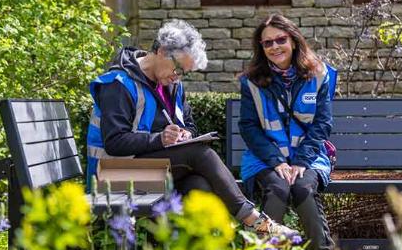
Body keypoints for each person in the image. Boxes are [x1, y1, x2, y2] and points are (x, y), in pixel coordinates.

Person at [86, 19, 296, 236]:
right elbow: (114, 142)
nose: (177, 76)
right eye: (177, 69)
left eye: (183, 73)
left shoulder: (171, 85)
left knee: (200, 186)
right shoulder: (118, 84)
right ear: (162, 51)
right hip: (112, 178)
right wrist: (160, 139)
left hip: (148, 173)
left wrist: (187, 134)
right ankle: (254, 220)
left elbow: (190, 125)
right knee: (200, 154)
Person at [238, 13, 337, 250]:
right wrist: (277, 161)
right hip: (266, 157)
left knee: (303, 188)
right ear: (261, 48)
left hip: (309, 156)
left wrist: (301, 161)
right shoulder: (251, 81)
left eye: (280, 39)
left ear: (293, 40)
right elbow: (248, 126)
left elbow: (322, 124)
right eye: (267, 43)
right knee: (278, 189)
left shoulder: (319, 75)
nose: (274, 47)